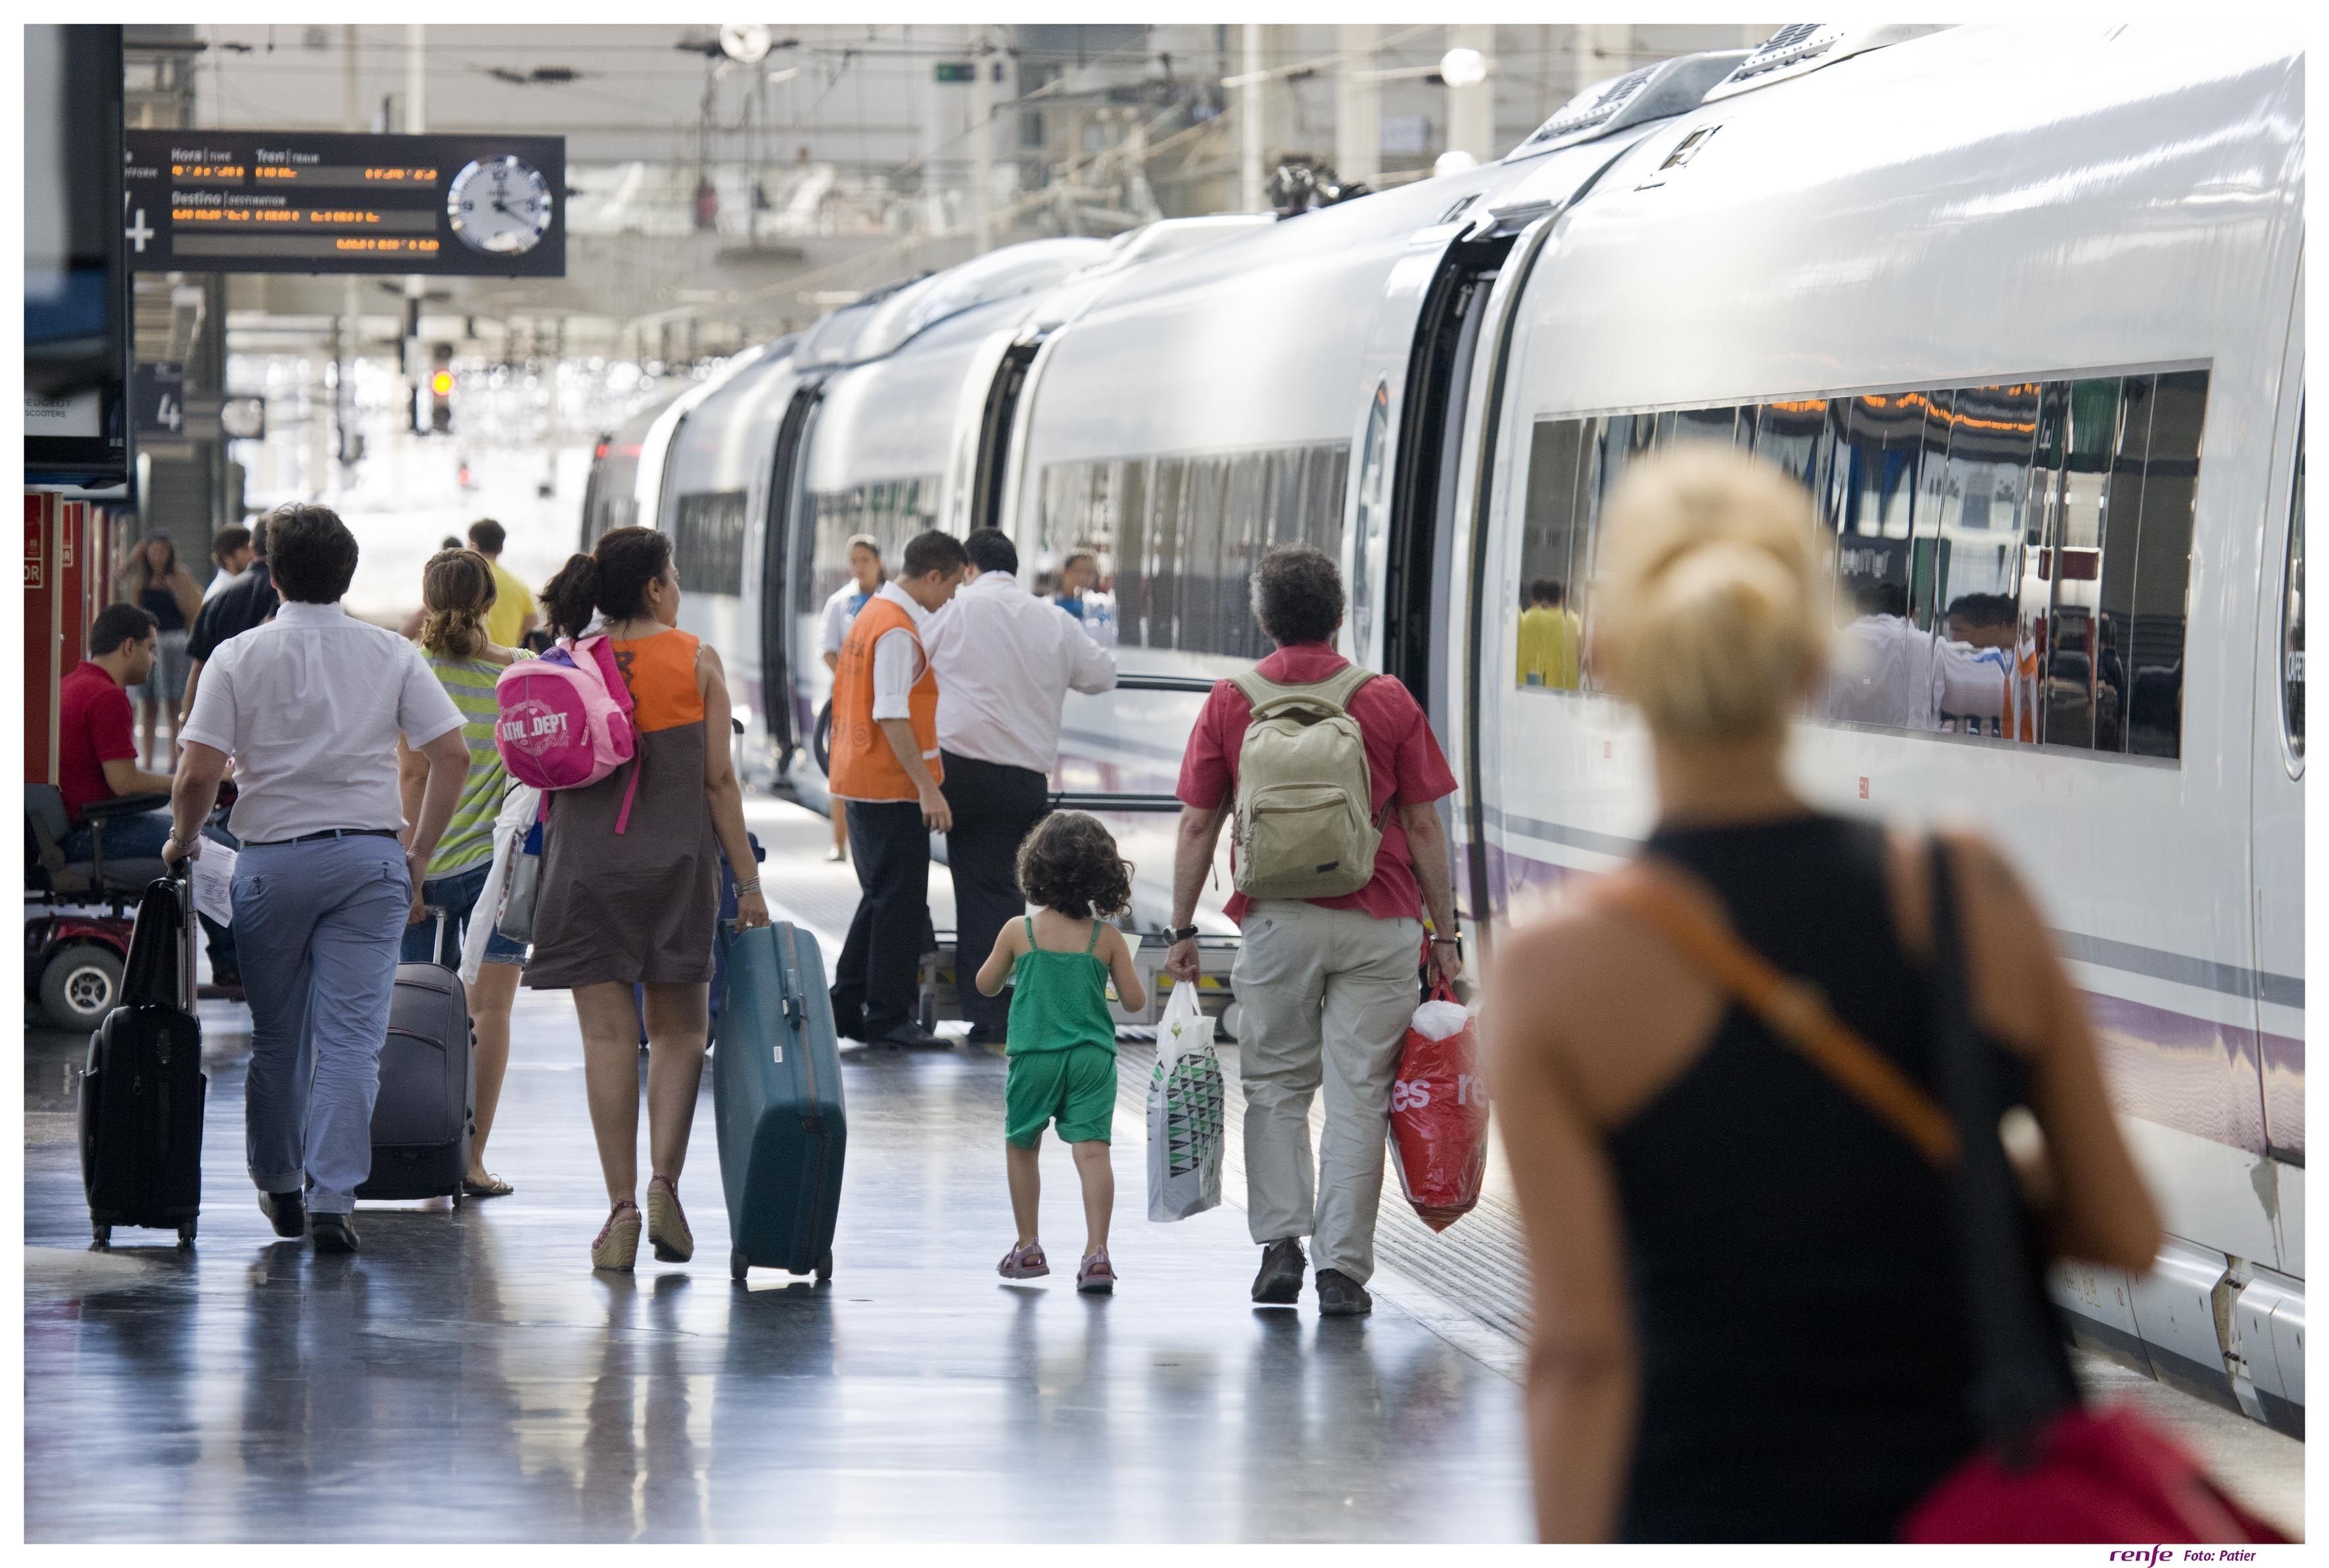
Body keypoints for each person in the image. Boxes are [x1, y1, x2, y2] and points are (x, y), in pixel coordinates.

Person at [1479, 448, 2161, 1542]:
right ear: (1810, 660)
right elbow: (2124, 1230)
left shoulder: (1555, 974)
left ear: (1605, 657)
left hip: (1698, 1513)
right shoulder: (1966, 893)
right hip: (1964, 1509)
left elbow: (1578, 1354)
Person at [165, 503, 476, 1255]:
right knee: (350, 1042)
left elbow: (199, 771)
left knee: (278, 1039)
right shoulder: (389, 654)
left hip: (271, 862)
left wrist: (184, 839)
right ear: (349, 574)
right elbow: (453, 755)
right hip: (369, 862)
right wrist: (422, 851)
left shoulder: (239, 655)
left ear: (272, 572)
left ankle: (279, 1183)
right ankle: (335, 1197)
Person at [1165, 543, 1464, 1317]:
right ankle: (1342, 1271)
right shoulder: (1386, 698)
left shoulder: (1231, 700)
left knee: (1275, 1088)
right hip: (1382, 915)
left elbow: (1199, 824)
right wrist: (1448, 935)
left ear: (1265, 619)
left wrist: (1179, 926)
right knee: (1360, 1096)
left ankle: (1281, 1249)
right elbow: (1426, 826)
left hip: (1275, 921)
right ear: (1338, 616)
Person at [525, 526, 772, 1271]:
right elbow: (718, 783)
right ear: (658, 587)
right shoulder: (694, 658)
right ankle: (665, 1184)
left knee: (606, 1040)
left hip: (583, 872)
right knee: (678, 1034)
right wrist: (749, 885)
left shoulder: (567, 662)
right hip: (675, 868)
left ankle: (621, 1209)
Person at [923, 528, 1117, 1044]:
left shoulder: (956, 610)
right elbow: (1102, 674)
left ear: (968, 568)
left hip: (960, 769)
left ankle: (990, 1009)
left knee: (976, 887)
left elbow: (913, 658)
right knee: (1010, 889)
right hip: (1024, 778)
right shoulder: (1050, 617)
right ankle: (1005, 1005)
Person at [397, 549, 526, 1198]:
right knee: (490, 1012)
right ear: (487, 600)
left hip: (420, 863)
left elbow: (414, 774)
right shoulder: (517, 677)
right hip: (494, 870)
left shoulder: (412, 673)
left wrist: (412, 868)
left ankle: (416, 1145)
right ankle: (471, 1161)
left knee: (413, 1011)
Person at [978, 812, 1146, 1293]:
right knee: (1093, 1153)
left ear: (1035, 871)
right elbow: (1135, 1002)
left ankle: (1028, 1245)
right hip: (1093, 1059)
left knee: (1022, 1144)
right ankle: (1097, 1254)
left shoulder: (1018, 931)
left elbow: (985, 985)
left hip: (1034, 1057)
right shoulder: (1107, 938)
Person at [826, 529, 968, 1050]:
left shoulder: (872, 616)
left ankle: (844, 1003)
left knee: (882, 898)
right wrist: (928, 788)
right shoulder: (896, 630)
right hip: (888, 787)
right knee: (898, 904)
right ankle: (886, 1016)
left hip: (861, 778)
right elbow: (891, 712)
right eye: (951, 585)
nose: (951, 597)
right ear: (933, 575)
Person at [56, 603, 244, 982]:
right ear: (129, 647)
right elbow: (124, 783)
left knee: (208, 839)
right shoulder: (106, 697)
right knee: (215, 849)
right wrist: (193, 780)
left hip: (81, 828)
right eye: (150, 648)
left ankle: (230, 961)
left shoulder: (73, 684)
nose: (155, 660)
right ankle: (233, 965)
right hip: (94, 836)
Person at [179, 515, 280, 744]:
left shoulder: (219, 596)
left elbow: (199, 668)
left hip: (223, 718)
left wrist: (186, 725)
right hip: (273, 717)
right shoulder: (291, 596)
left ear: (253, 548)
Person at [817, 534, 885, 863]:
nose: (859, 567)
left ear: (878, 562)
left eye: (865, 560)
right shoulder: (839, 603)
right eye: (854, 561)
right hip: (847, 699)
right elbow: (828, 651)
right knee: (841, 767)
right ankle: (839, 843)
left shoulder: (889, 601)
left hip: (881, 699)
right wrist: (853, 681)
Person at [118, 531, 202, 768]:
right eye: (154, 551)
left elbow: (193, 611)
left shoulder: (180, 576)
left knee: (175, 702)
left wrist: (176, 590)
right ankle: (146, 760)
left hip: (174, 642)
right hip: (150, 644)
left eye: (164, 551)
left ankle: (176, 760)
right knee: (149, 702)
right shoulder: (141, 581)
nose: (159, 556)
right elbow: (123, 586)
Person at [469, 518, 540, 650]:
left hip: (467, 659)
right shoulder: (519, 587)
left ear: (471, 545)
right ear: (501, 548)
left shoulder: (463, 578)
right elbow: (532, 628)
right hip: (505, 664)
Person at [1517, 577, 1584, 689]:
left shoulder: (1527, 618)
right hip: (1570, 681)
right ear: (1561, 598)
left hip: (1540, 677)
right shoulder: (1575, 621)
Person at [202, 525, 255, 603]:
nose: (252, 555)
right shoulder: (221, 593)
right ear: (227, 556)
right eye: (245, 549)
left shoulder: (239, 587)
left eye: (253, 549)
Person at [1051, 550, 1098, 620]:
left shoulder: (1098, 607)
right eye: (1078, 571)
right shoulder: (1051, 604)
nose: (1084, 577)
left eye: (1089, 572)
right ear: (1065, 572)